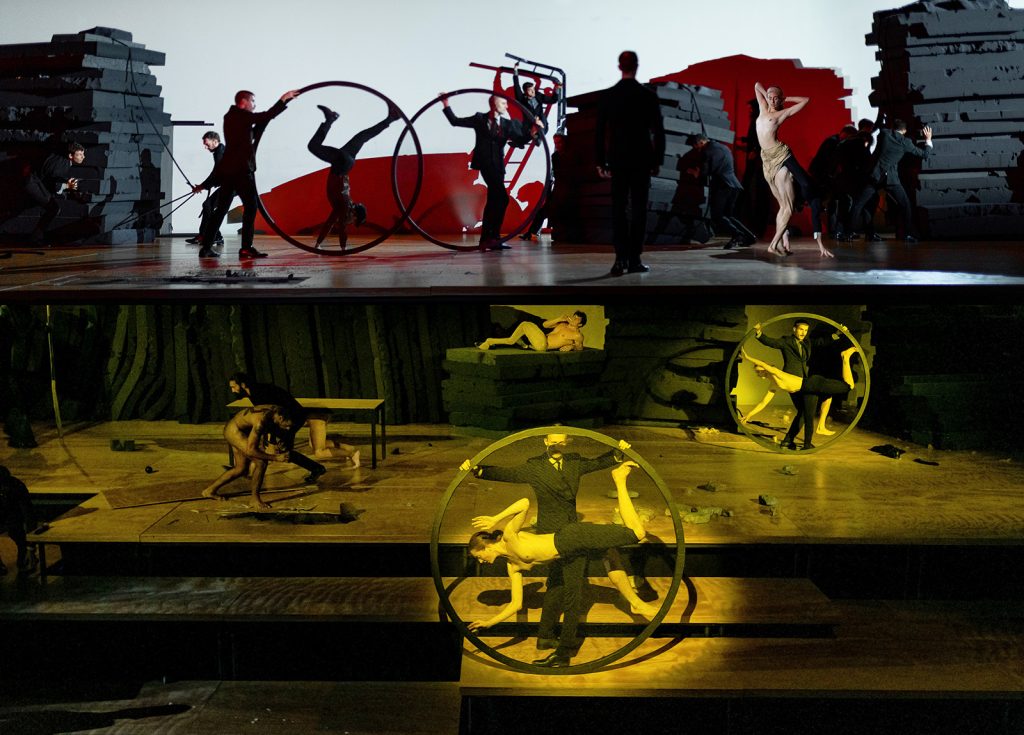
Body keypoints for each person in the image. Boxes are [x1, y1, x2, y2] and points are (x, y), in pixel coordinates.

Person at [460, 432, 643, 667]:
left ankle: (556, 644)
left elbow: (596, 463)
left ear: (567, 442)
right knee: (560, 588)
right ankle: (552, 641)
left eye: (561, 440)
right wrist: (477, 469)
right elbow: (508, 474)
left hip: (570, 536)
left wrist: (618, 451)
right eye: (552, 440)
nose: (557, 443)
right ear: (545, 441)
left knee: (569, 590)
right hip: (555, 534)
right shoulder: (535, 467)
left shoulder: (574, 463)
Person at [192, 88, 300, 260]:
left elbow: (252, 133)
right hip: (240, 171)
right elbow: (266, 116)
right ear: (244, 102)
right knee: (251, 207)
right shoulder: (239, 116)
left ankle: (206, 248)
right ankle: (245, 248)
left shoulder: (233, 118)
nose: (254, 105)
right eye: (252, 101)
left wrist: (263, 124)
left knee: (221, 211)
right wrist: (284, 99)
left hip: (231, 172)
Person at [440, 92, 539, 251]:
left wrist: (532, 133)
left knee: (495, 200)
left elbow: (520, 139)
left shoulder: (507, 124)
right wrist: (446, 104)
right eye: (503, 103)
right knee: (502, 198)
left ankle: (490, 238)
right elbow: (455, 121)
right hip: (485, 164)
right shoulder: (480, 118)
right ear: (494, 104)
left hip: (498, 166)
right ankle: (491, 238)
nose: (506, 106)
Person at [596, 51, 665, 275]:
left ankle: (620, 259)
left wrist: (601, 161)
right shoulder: (648, 96)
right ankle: (634, 259)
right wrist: (657, 160)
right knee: (639, 210)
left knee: (618, 210)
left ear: (619, 67)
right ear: (637, 66)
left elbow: (600, 132)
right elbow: (658, 131)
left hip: (618, 159)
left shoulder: (609, 96)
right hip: (641, 159)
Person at [306, 102, 402, 248]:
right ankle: (330, 119)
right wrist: (342, 247)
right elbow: (340, 227)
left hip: (347, 164)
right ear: (354, 214)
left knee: (362, 137)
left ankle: (391, 118)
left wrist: (319, 244)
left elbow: (331, 223)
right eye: (354, 219)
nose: (350, 221)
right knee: (313, 146)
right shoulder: (345, 207)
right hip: (341, 164)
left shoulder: (344, 204)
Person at [753, 83, 832, 258]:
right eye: (770, 97)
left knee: (789, 206)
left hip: (780, 155)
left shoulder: (782, 114)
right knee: (782, 206)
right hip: (767, 160)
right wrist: (768, 95)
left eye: (775, 98)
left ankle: (773, 244)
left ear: (780, 100)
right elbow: (757, 85)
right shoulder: (763, 107)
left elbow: (806, 100)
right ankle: (782, 242)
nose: (772, 100)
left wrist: (785, 99)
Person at [754, 320, 850, 449]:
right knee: (805, 413)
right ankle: (804, 442)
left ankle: (788, 441)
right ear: (794, 329)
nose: (803, 333)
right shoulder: (786, 341)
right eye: (801, 329)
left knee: (804, 413)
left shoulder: (807, 342)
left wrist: (838, 333)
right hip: (792, 381)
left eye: (805, 330)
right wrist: (759, 333)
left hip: (805, 381)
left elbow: (822, 341)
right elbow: (771, 342)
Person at [228, 373, 334, 481]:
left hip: (290, 419)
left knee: (281, 451)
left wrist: (276, 433)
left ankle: (317, 468)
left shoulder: (260, 392)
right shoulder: (254, 392)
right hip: (283, 420)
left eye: (234, 387)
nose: (233, 390)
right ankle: (316, 468)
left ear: (243, 385)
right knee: (280, 451)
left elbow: (276, 413)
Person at [845, 119, 933, 243]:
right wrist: (928, 139)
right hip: (891, 179)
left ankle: (849, 232)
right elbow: (924, 154)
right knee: (905, 205)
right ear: (904, 131)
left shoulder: (884, 134)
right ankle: (908, 234)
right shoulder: (905, 142)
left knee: (859, 204)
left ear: (892, 127)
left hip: (875, 176)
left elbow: (879, 126)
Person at [201, 405, 296, 509]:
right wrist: (275, 458)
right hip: (234, 432)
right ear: (281, 418)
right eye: (287, 425)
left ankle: (209, 491)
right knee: (261, 462)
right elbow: (251, 451)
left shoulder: (276, 410)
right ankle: (254, 500)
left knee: (240, 468)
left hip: (238, 429)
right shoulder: (260, 422)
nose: (288, 428)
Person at [686, 134, 756, 249]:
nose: (696, 149)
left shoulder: (707, 151)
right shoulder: (723, 147)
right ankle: (750, 237)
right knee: (729, 216)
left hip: (723, 186)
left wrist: (695, 173)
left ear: (701, 142)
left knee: (717, 216)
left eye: (695, 146)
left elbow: (704, 172)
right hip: (734, 185)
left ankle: (737, 235)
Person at [23, 142, 86, 242]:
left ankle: (37, 236)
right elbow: (53, 184)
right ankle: (36, 237)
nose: (83, 157)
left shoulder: (61, 160)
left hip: (33, 181)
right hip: (32, 183)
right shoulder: (63, 165)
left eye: (83, 154)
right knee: (53, 208)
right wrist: (67, 186)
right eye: (80, 154)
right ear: (70, 155)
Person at [521, 132, 566, 241]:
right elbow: (556, 173)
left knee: (550, 211)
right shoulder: (555, 156)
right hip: (558, 189)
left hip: (566, 189)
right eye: (556, 143)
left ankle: (533, 232)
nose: (557, 145)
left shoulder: (569, 155)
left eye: (559, 142)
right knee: (543, 211)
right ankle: (532, 232)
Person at [186, 131, 226, 248]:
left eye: (206, 144)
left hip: (233, 185)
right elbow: (217, 173)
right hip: (230, 185)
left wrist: (202, 186)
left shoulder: (220, 151)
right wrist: (202, 186)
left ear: (215, 141)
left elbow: (217, 172)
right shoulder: (220, 151)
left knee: (208, 206)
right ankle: (212, 236)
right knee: (208, 206)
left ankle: (207, 235)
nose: (205, 147)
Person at [476, 311, 586, 352]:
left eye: (577, 319)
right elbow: (545, 325)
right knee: (524, 324)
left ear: (580, 324)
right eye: (574, 316)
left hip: (543, 346)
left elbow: (580, 348)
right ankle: (490, 341)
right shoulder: (562, 324)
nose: (573, 318)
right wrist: (558, 319)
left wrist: (572, 347)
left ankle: (492, 341)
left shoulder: (577, 335)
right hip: (540, 340)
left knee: (524, 324)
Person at [0, 465, 39, 574]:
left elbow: (29, 515)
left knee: (16, 532)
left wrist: (30, 546)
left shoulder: (16, 487)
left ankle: (24, 556)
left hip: (12, 513)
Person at [512, 62, 561, 135]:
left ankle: (539, 134)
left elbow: (552, 100)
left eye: (533, 89)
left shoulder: (538, 95)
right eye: (530, 90)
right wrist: (515, 70)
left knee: (541, 127)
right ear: (525, 91)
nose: (533, 91)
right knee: (526, 132)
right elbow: (516, 85)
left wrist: (557, 89)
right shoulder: (521, 98)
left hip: (542, 123)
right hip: (529, 124)